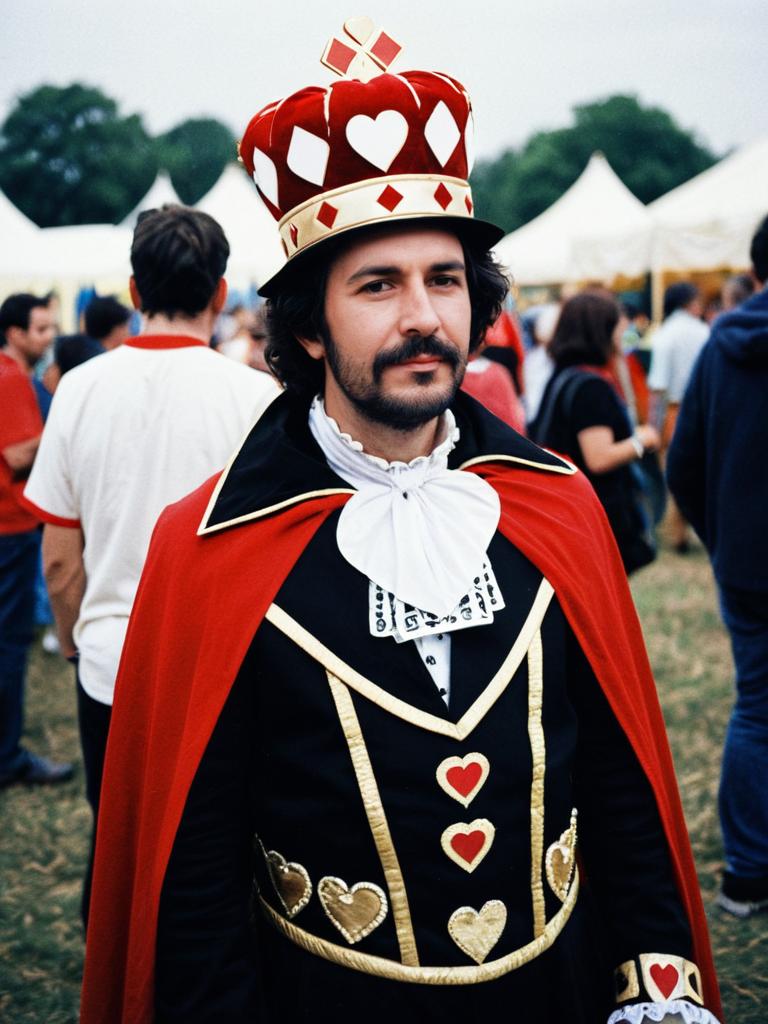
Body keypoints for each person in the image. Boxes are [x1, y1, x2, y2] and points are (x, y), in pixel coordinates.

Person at [80, 23, 720, 1024]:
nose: (423, 317)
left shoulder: (557, 506)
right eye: (377, 285)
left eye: (445, 278)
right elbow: (194, 871)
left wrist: (657, 981)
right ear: (304, 322)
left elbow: (622, 785)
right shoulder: (203, 547)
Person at [23, 205, 279, 918]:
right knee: (223, 847)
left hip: (109, 662)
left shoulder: (76, 388)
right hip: (221, 665)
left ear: (135, 292)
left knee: (121, 840)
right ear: (221, 293)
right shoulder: (255, 397)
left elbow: (60, 562)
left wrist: (74, 642)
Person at [667, 213, 768, 919]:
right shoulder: (716, 345)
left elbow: (684, 460)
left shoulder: (720, 345)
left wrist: (722, 536)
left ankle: (748, 872)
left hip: (748, 560)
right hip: (745, 556)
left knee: (758, 707)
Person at [531, 292, 661, 574]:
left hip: (569, 512)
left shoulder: (563, 374)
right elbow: (599, 457)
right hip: (597, 513)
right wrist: (642, 440)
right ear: (601, 329)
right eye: (617, 324)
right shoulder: (592, 386)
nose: (623, 330)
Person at [0, 293, 72, 787]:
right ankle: (7, 757)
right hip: (11, 528)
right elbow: (19, 454)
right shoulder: (10, 378)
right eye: (42, 330)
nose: (49, 339)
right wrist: (64, 417)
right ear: (16, 332)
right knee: (10, 643)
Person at [647, 283, 709, 553]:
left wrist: (653, 425)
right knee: (704, 470)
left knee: (674, 473)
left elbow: (657, 386)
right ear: (688, 302)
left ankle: (678, 533)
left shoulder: (665, 335)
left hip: (674, 411)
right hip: (705, 409)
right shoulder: (706, 331)